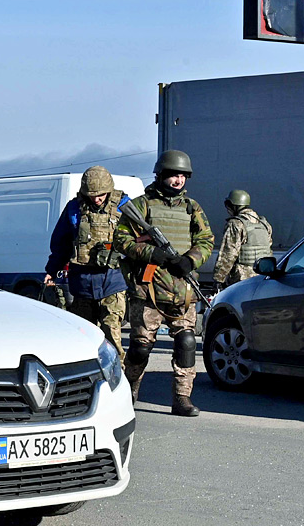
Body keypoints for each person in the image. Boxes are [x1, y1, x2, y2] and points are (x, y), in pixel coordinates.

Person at [115, 150, 214, 417]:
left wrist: (191, 260)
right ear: (161, 175)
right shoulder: (141, 206)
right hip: (149, 291)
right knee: (140, 346)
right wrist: (152, 254)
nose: (178, 180)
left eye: (182, 175)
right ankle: (129, 391)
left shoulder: (192, 208)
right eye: (173, 175)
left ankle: (182, 398)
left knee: (186, 343)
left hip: (183, 290)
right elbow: (121, 239)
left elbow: (206, 240)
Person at [43, 166, 129, 357]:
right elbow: (61, 243)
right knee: (83, 336)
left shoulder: (124, 207)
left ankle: (119, 378)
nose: (96, 199)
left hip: (112, 281)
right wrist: (52, 269)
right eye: (91, 195)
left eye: (101, 195)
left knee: (111, 332)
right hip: (82, 283)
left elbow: (139, 241)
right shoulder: (74, 209)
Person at [213, 189, 273, 289]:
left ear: (234, 205)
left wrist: (218, 278)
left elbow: (228, 254)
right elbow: (268, 249)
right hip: (263, 277)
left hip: (242, 279)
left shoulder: (236, 224)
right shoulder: (264, 224)